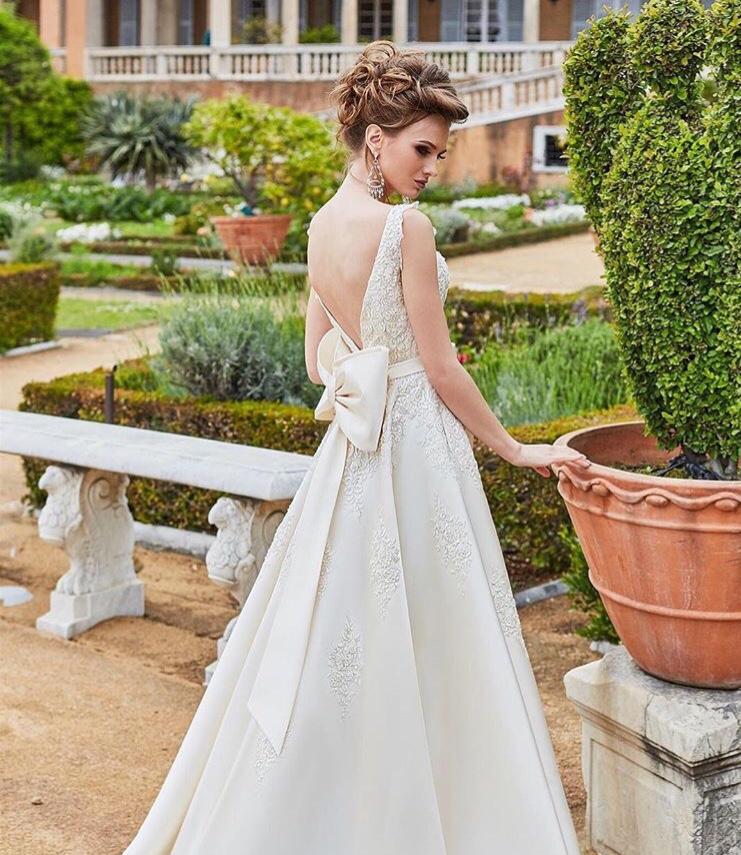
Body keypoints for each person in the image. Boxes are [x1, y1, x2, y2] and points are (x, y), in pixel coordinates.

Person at [122, 39, 591, 855]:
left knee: (341, 626)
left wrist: (364, 371)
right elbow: (440, 367)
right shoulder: (406, 228)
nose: (431, 168)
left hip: (353, 451)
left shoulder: (317, 225)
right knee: (436, 631)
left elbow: (317, 359)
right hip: (415, 450)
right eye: (422, 150)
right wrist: (517, 450)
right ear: (376, 140)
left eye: (438, 154)